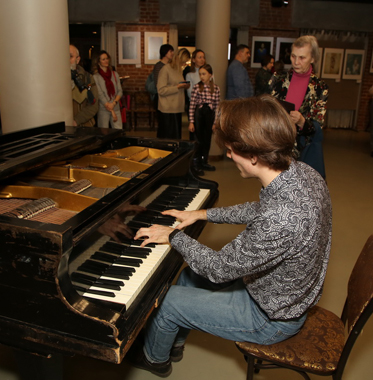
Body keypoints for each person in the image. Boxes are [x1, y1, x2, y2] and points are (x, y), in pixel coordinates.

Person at [130, 95, 332, 378]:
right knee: (188, 277)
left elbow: (218, 269)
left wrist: (173, 236)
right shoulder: (303, 173)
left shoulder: (280, 219)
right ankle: (173, 343)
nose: (227, 155)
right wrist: (201, 215)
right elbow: (259, 210)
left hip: (270, 318)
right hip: (279, 291)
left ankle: (155, 360)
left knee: (166, 299)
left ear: (253, 155)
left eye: (230, 150)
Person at [269, 35, 329, 179]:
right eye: (293, 56)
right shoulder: (278, 79)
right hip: (277, 147)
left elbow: (318, 126)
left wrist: (302, 121)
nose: (296, 62)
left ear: (313, 58)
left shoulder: (320, 88)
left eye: (302, 58)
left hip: (303, 153)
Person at [188, 64, 220, 174]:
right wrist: (191, 121)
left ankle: (204, 161)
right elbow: (192, 105)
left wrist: (215, 122)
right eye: (200, 74)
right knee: (198, 139)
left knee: (207, 140)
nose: (202, 76)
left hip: (209, 115)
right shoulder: (197, 87)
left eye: (204, 74)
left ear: (210, 75)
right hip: (199, 114)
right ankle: (195, 163)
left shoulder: (216, 88)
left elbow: (217, 107)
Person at [156, 48, 191, 139]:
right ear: (178, 58)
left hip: (177, 108)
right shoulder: (165, 69)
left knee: (176, 139)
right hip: (167, 109)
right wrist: (177, 87)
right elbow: (161, 90)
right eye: (184, 61)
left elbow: (177, 84)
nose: (184, 64)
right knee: (167, 138)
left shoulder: (179, 70)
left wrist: (184, 86)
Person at [70, 44, 99, 127]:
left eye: (70, 56)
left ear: (77, 59)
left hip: (85, 127)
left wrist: (76, 121)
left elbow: (93, 105)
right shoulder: (54, 80)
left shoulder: (87, 78)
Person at [93, 51, 123, 129]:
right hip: (103, 108)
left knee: (118, 130)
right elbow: (100, 94)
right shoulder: (96, 77)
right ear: (98, 62)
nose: (106, 61)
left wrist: (113, 104)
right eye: (103, 59)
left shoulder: (114, 74)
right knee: (104, 132)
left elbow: (120, 91)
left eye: (107, 58)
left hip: (115, 106)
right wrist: (110, 108)